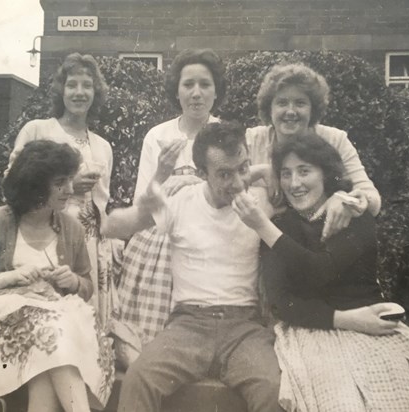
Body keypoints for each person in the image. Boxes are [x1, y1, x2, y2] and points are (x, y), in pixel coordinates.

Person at [233, 132, 409, 412]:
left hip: (373, 330)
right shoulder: (278, 225)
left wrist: (263, 227)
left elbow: (321, 269)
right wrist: (348, 320)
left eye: (304, 171)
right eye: (285, 174)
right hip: (313, 331)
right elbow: (282, 304)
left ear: (325, 173)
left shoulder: (354, 214)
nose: (294, 183)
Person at [104, 121, 283, 412]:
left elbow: (313, 201)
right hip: (188, 325)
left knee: (272, 388)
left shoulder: (261, 203)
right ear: (202, 174)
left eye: (242, 168)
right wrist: (155, 182)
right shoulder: (182, 201)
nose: (237, 182)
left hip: (244, 327)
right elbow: (119, 225)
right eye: (224, 174)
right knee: (139, 379)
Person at [0, 141, 114, 412]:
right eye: (60, 183)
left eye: (69, 180)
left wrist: (73, 282)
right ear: (37, 186)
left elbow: (87, 286)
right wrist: (11, 278)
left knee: (48, 352)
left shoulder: (71, 228)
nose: (70, 189)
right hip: (7, 327)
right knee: (51, 340)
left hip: (53, 329)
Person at [110, 48, 226, 365]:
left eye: (205, 84)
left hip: (210, 228)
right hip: (161, 230)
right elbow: (141, 206)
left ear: (216, 91)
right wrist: (164, 174)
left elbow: (232, 195)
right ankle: (144, 352)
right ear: (177, 90)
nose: (196, 93)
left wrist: (193, 184)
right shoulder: (158, 135)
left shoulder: (225, 135)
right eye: (188, 84)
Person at [8, 52, 115, 329]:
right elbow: (12, 184)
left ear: (96, 92)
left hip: (90, 245)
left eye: (87, 85)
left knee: (85, 320)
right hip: (47, 236)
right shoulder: (38, 130)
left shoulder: (103, 146)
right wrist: (68, 186)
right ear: (60, 91)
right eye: (72, 85)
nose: (79, 92)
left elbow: (102, 205)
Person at [246, 63, 381, 239]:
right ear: (269, 108)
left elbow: (373, 200)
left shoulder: (334, 140)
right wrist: (262, 170)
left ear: (313, 109)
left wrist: (345, 199)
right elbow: (220, 185)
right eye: (282, 103)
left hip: (321, 241)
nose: (290, 111)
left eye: (300, 103)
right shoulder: (253, 140)